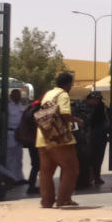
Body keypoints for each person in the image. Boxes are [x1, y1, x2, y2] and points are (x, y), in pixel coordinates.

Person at [36, 72, 84, 208]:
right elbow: (64, 114)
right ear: (68, 84)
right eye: (71, 84)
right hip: (59, 138)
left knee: (46, 171)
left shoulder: (48, 94)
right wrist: (78, 120)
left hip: (42, 136)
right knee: (71, 168)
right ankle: (64, 199)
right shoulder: (63, 94)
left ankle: (46, 201)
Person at [80, 91, 110, 187]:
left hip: (100, 136)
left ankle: (96, 177)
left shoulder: (103, 108)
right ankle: (89, 177)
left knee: (98, 158)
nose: (97, 101)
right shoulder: (82, 106)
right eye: (95, 99)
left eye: (99, 99)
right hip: (86, 136)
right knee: (88, 158)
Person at [5, 88, 25, 182]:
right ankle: (11, 178)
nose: (18, 97)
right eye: (16, 95)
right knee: (10, 157)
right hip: (10, 133)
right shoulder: (8, 106)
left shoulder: (20, 106)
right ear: (12, 96)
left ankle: (19, 177)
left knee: (19, 157)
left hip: (19, 133)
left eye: (19, 95)